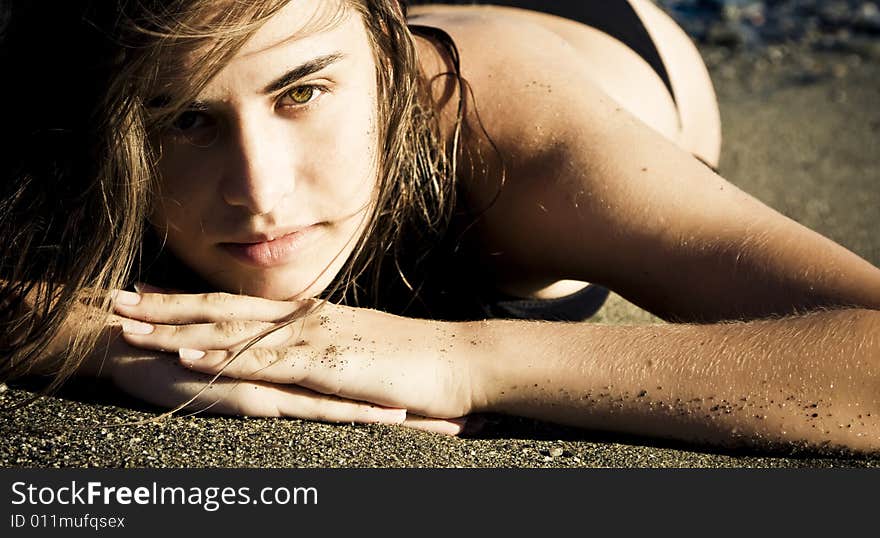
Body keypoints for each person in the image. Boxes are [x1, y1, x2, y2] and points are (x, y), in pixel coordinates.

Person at [1, 0, 879, 454]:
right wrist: (93, 334)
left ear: (384, 62)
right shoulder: (70, 111)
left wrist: (464, 360)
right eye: (181, 120)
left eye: (302, 94)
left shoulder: (504, 141)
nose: (260, 194)